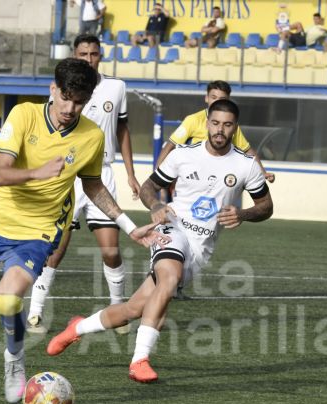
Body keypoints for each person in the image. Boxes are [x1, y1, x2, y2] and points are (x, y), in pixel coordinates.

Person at [0, 58, 167, 403]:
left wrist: (127, 225)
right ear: (53, 90)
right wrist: (38, 172)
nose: (70, 108)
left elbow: (93, 185)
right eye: (66, 98)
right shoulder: (23, 116)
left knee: (7, 298)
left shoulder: (92, 136)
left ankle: (14, 362)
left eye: (80, 101)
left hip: (39, 230)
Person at [45, 99, 274, 383]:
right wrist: (155, 205)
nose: (220, 130)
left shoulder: (246, 165)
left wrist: (243, 213)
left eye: (227, 125)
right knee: (168, 278)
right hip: (170, 227)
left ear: (234, 128)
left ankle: (76, 328)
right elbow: (149, 187)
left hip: (201, 247)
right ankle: (139, 360)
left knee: (135, 308)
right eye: (215, 123)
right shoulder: (183, 155)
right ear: (206, 124)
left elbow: (266, 207)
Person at [27, 34, 142, 335]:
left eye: (93, 54)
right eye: (82, 54)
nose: (88, 59)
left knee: (110, 250)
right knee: (56, 246)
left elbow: (122, 128)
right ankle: (35, 311)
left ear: (100, 55)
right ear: (74, 55)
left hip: (100, 174)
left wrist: (130, 172)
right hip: (67, 174)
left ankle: (117, 312)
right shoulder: (64, 88)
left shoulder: (116, 87)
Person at [157, 80, 275, 183]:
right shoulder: (193, 120)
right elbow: (170, 145)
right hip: (193, 175)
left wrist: (263, 172)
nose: (217, 102)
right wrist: (157, 172)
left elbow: (248, 150)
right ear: (206, 98)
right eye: (213, 97)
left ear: (228, 100)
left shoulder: (232, 125)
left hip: (219, 176)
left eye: (222, 99)